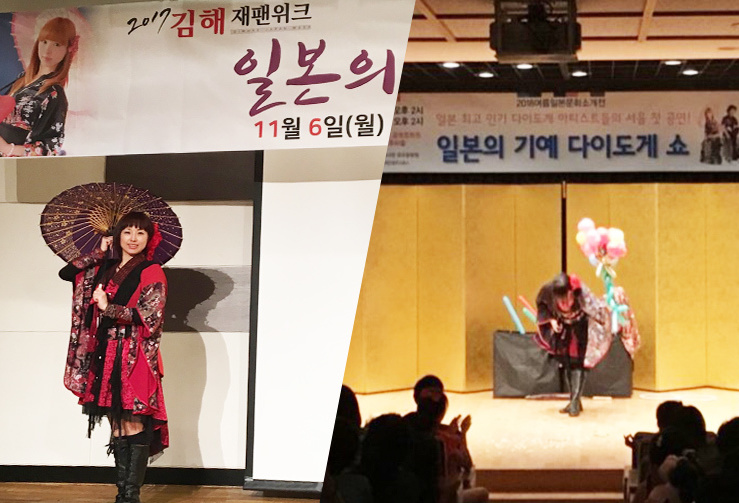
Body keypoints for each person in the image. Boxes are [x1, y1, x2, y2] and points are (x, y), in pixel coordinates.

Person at [59, 211, 168, 503]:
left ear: (149, 238)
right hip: (107, 353)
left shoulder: (151, 270)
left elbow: (151, 316)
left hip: (135, 355)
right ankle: (122, 493)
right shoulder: (105, 269)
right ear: (117, 236)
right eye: (127, 232)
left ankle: (131, 496)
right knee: (117, 423)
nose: (133, 239)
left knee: (134, 421)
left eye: (140, 233)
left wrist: (108, 307)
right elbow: (67, 273)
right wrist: (99, 252)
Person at [0, 17, 78, 156]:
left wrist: (8, 149)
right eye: (44, 42)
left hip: (14, 162)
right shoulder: (22, 80)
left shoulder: (54, 93)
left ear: (68, 49)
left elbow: (51, 147)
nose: (48, 50)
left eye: (57, 44)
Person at [535, 272, 608, 417]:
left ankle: (575, 401)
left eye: (568, 299)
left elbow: (597, 311)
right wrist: (551, 320)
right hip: (564, 327)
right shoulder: (547, 291)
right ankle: (574, 400)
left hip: (582, 326)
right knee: (567, 362)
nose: (566, 304)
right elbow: (543, 306)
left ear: (572, 292)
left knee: (579, 362)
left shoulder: (581, 292)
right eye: (561, 301)